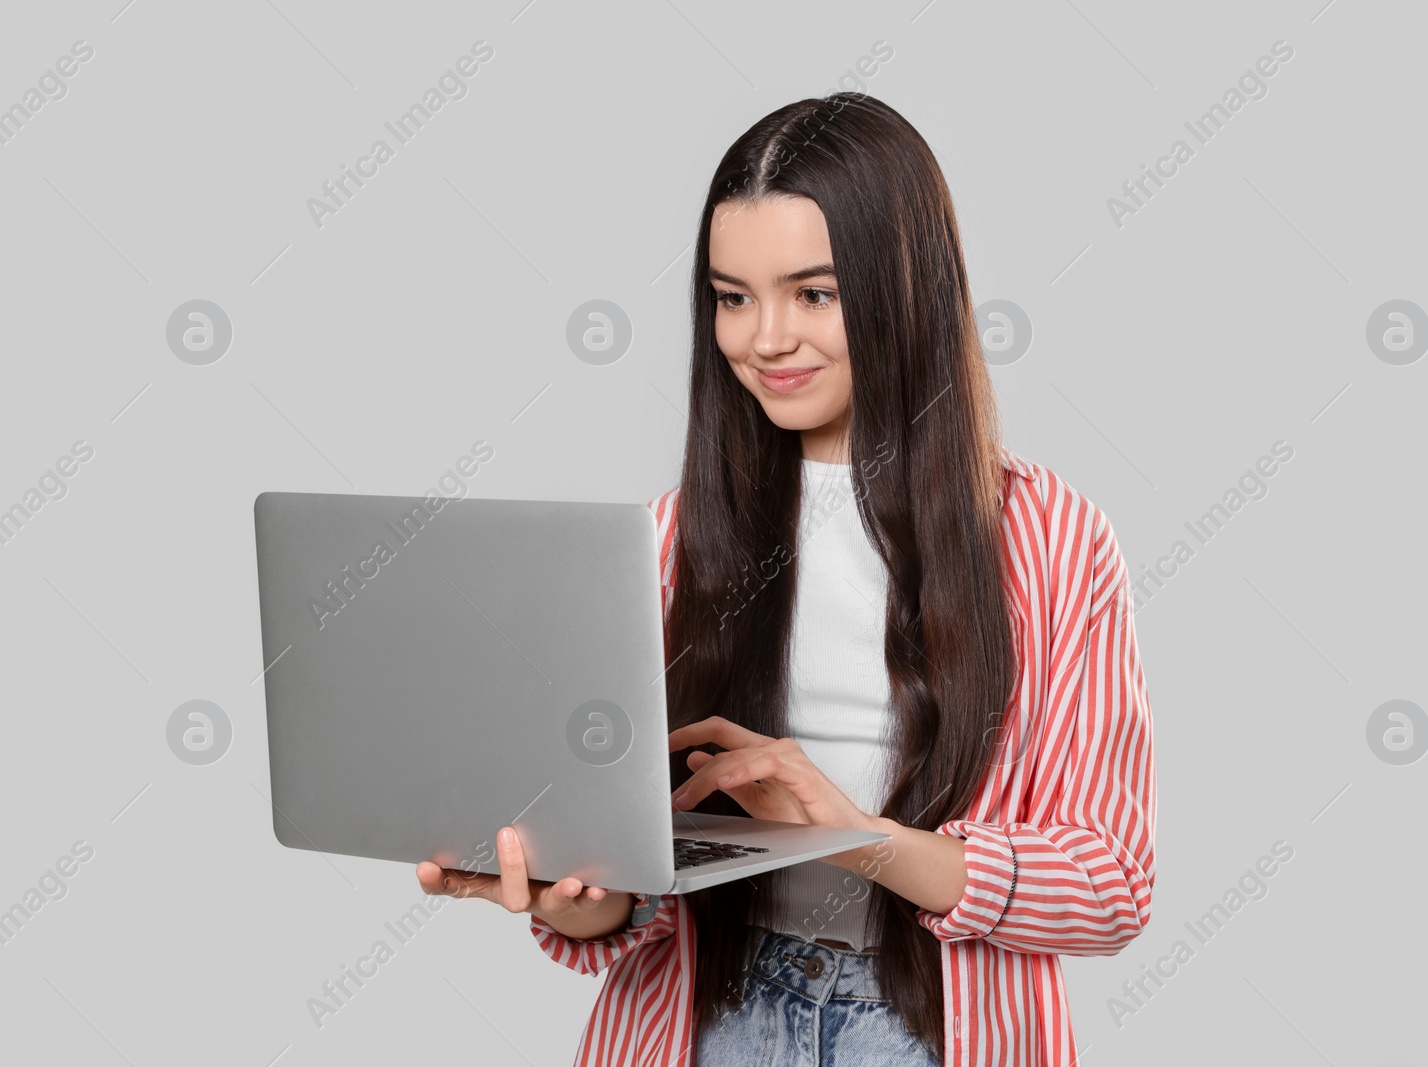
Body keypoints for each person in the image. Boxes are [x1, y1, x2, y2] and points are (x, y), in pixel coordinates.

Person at [416, 92, 1156, 1066]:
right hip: (710, 1021)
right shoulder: (667, 536)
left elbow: (1109, 885)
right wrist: (584, 899)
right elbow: (633, 884)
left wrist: (857, 836)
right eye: (732, 297)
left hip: (922, 1031)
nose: (763, 339)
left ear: (905, 289)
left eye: (813, 293)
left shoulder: (1049, 537)